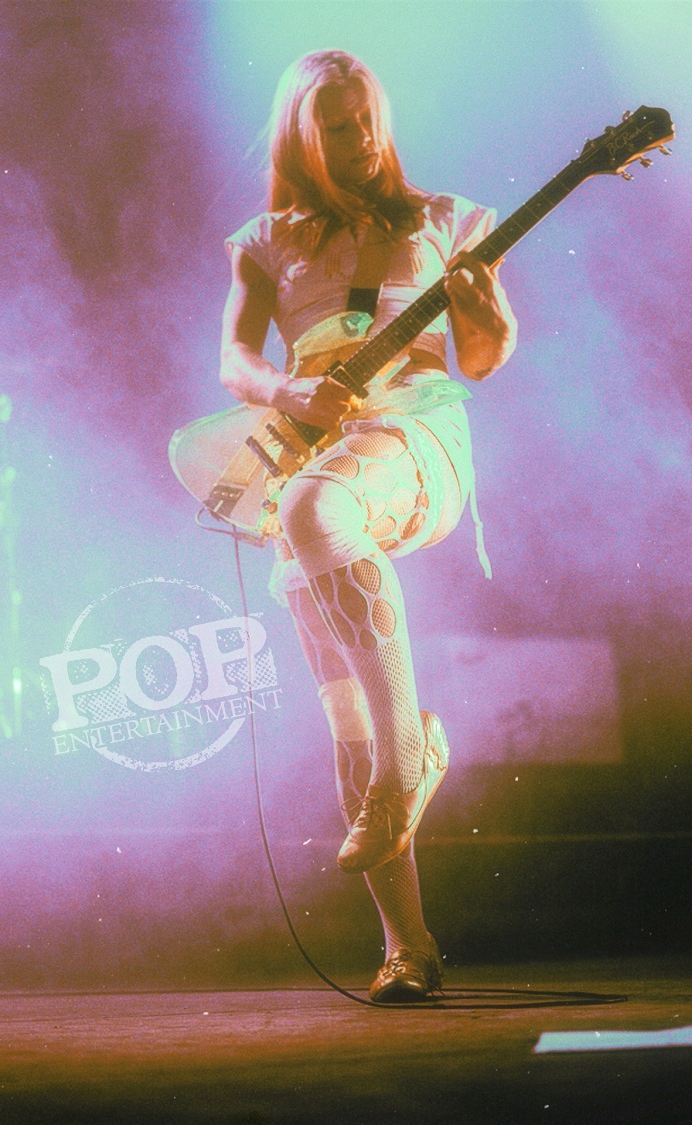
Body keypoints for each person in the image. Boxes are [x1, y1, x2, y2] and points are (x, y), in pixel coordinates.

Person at [220, 50, 517, 1002]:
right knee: (346, 715)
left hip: (414, 436)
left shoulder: (447, 221)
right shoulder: (265, 242)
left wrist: (485, 313)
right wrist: (288, 390)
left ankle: (410, 757)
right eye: (337, 128)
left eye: (368, 120)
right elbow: (235, 362)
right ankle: (408, 946)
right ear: (302, 139)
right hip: (314, 450)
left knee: (315, 506)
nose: (361, 140)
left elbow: (483, 356)